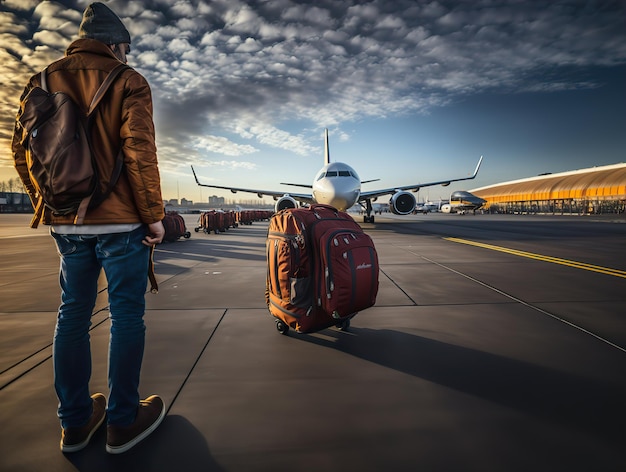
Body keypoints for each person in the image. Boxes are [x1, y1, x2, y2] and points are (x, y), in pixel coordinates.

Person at [11, 2, 166, 454]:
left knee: (73, 316)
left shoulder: (39, 81)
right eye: (127, 48)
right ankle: (121, 421)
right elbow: (139, 152)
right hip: (120, 223)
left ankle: (75, 423)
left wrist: (50, 201)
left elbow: (24, 154)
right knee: (126, 317)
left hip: (66, 224)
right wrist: (153, 216)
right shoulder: (128, 80)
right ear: (117, 45)